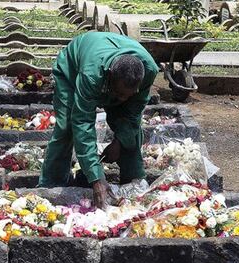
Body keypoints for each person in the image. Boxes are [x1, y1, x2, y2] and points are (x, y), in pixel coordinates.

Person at [39, 32, 159, 209]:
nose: (121, 100)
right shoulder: (92, 74)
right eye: (118, 94)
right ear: (109, 76)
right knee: (67, 127)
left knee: (128, 125)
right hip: (71, 72)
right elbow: (82, 122)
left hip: (112, 70)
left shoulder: (148, 71)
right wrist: (96, 177)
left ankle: (132, 183)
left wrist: (119, 142)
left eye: (127, 96)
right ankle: (52, 186)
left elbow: (132, 116)